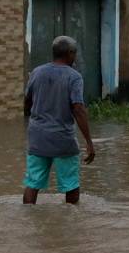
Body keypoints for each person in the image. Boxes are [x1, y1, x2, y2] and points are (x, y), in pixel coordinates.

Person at [23, 36, 95, 205]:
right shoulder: (74, 77)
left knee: (32, 183)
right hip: (62, 138)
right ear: (70, 53)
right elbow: (78, 109)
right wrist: (89, 142)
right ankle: (70, 223)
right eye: (75, 53)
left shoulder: (36, 72)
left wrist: (34, 123)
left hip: (37, 138)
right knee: (71, 183)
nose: (75, 57)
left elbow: (27, 102)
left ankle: (27, 219)